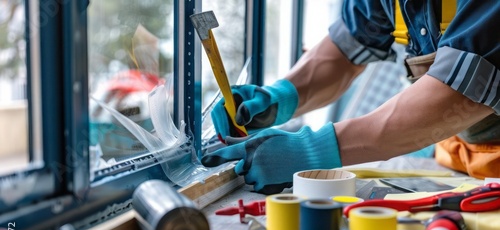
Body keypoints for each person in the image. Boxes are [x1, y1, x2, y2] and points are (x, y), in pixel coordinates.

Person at [202, 0, 500, 194]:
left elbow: (458, 95)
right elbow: (344, 52)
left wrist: (313, 150)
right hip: (461, 162)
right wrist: (281, 96)